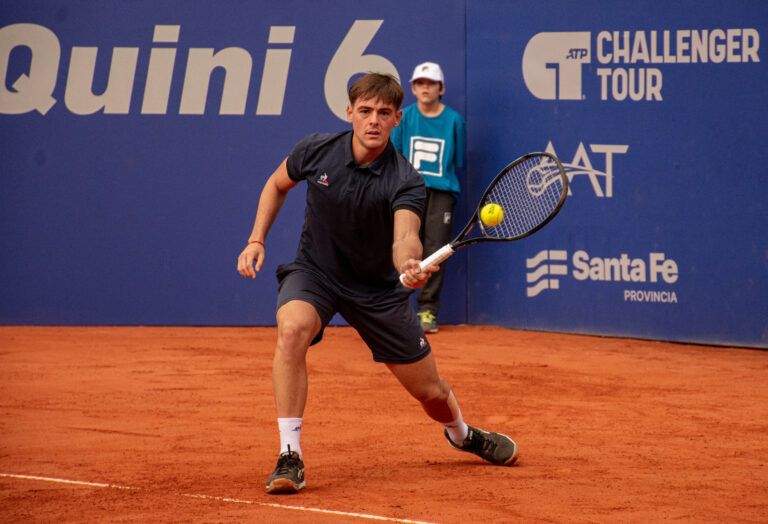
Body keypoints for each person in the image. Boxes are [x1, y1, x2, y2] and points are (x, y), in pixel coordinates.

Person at [237, 73, 517, 495]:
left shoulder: (406, 180)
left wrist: (408, 262)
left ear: (397, 120)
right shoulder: (315, 150)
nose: (373, 121)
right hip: (316, 273)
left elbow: (405, 236)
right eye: (365, 111)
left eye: (383, 113)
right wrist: (256, 238)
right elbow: (277, 184)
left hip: (377, 291)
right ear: (349, 113)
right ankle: (289, 455)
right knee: (292, 327)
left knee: (430, 391)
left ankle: (460, 434)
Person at [390, 62, 466, 334]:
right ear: (412, 88)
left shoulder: (455, 121)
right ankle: (395, 309)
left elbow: (457, 160)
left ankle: (427, 312)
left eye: (430, 83)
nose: (425, 88)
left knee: (436, 249)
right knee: (402, 245)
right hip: (408, 191)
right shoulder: (405, 118)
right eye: (420, 83)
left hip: (442, 193)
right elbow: (395, 157)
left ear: (441, 88)